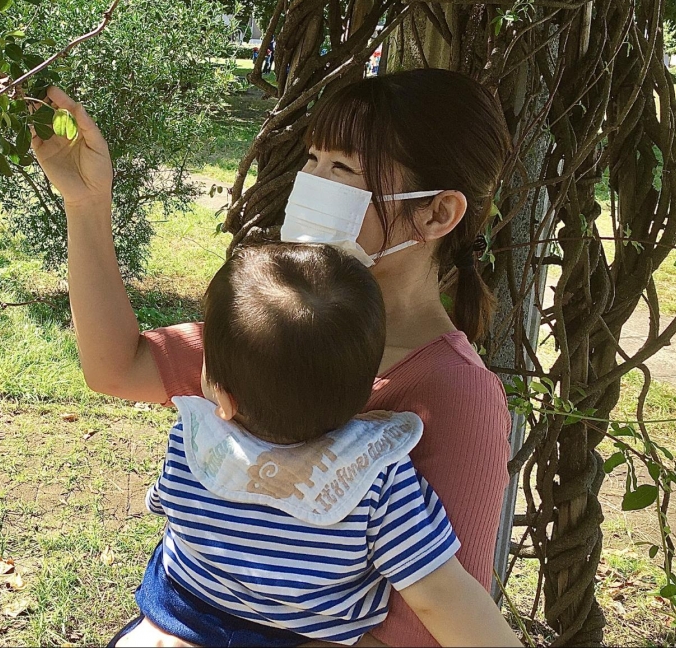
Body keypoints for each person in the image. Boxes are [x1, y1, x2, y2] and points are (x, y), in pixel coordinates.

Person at [32, 68, 513, 647]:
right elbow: (118, 366)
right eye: (313, 159)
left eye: (343, 169)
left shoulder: (457, 395)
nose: (311, 181)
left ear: (437, 214)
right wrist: (86, 204)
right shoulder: (282, 321)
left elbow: (426, 631)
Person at [114, 242, 522, 647]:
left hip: (176, 619)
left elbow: (166, 504)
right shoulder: (375, 479)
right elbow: (440, 595)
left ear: (221, 395)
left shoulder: (195, 441)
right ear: (367, 389)